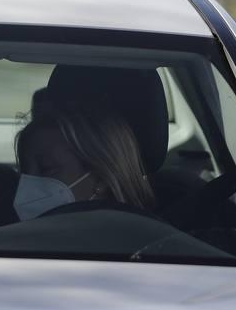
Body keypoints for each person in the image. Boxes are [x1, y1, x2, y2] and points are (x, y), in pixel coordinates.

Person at [13, 95, 155, 221]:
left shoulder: (142, 244)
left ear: (101, 179)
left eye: (46, 168)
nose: (28, 185)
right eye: (24, 172)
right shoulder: (16, 242)